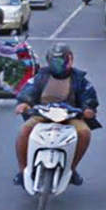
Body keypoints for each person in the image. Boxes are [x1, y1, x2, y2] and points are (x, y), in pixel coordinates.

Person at [14, 44, 99, 186]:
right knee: (24, 130)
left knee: (84, 133)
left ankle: (71, 169)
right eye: (54, 61)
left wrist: (88, 108)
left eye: (61, 61)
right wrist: (24, 103)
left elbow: (89, 97)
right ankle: (23, 171)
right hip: (43, 113)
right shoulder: (40, 76)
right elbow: (29, 90)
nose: (57, 65)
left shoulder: (80, 79)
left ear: (70, 60)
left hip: (70, 115)